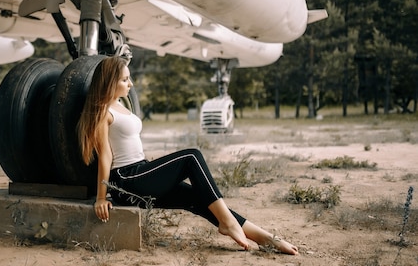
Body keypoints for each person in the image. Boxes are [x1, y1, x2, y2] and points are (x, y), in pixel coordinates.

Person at [77, 56, 298, 255]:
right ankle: (229, 223)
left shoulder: (121, 106)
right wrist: (101, 197)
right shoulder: (103, 112)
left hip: (140, 171)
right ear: (109, 81)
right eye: (125, 80)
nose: (130, 84)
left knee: (198, 198)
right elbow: (105, 155)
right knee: (191, 157)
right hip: (126, 180)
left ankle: (266, 238)